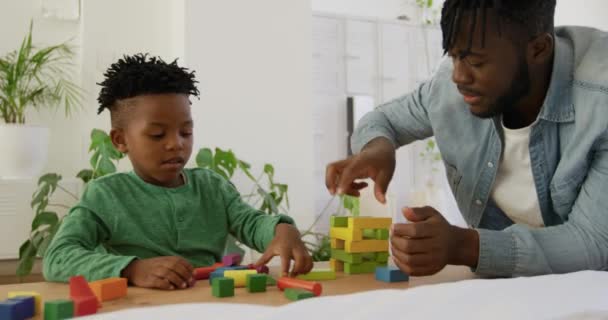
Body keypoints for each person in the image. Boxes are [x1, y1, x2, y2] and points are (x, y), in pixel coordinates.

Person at [326, 0, 608, 277]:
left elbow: (593, 242)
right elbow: (382, 121)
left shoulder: (600, 99)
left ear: (539, 49)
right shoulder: (451, 87)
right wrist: (378, 148)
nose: (459, 76)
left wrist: (464, 246)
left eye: (475, 61)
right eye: (454, 55)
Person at [44, 54, 312, 289]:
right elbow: (58, 257)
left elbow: (251, 223)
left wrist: (280, 230)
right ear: (120, 140)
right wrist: (132, 269)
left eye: (186, 132)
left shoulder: (212, 187)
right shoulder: (105, 195)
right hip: (139, 307)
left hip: (209, 304)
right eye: (158, 134)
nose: (176, 143)